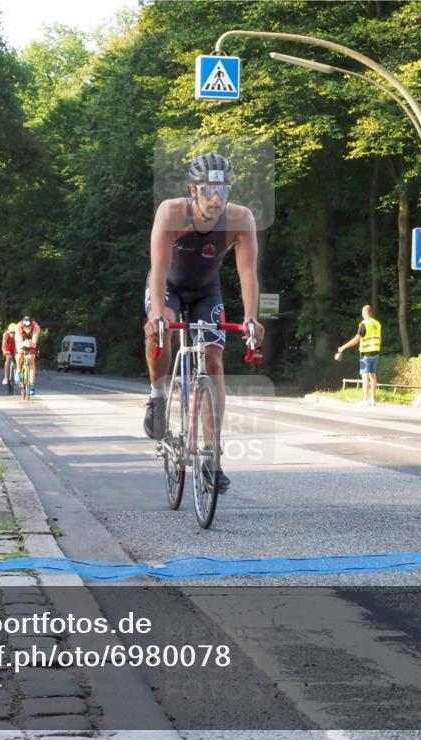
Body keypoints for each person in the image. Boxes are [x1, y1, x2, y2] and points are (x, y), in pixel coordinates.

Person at [143, 152, 265, 493]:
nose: (216, 198)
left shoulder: (240, 219)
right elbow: (159, 265)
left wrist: (251, 318)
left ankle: (212, 455)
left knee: (214, 360)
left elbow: (247, 273)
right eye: (208, 190)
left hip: (206, 291)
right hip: (167, 285)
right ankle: (157, 395)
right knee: (161, 328)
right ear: (193, 190)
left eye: (223, 190)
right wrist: (157, 314)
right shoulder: (171, 212)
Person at [335, 305, 382, 405]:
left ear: (363, 313)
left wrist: (343, 347)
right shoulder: (377, 324)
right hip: (376, 352)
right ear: (371, 313)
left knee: (365, 376)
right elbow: (380, 339)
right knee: (373, 376)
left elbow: (356, 339)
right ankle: (373, 400)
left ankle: (365, 399)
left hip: (365, 353)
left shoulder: (363, 324)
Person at [15, 315, 41, 395]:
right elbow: (19, 343)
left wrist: (30, 343)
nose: (28, 329)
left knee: (31, 359)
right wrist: (23, 344)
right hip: (21, 341)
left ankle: (31, 386)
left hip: (31, 342)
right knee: (20, 354)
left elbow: (34, 343)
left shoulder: (36, 327)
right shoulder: (18, 326)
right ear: (23, 325)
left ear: (32, 325)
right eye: (26, 327)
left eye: (29, 327)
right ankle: (18, 370)